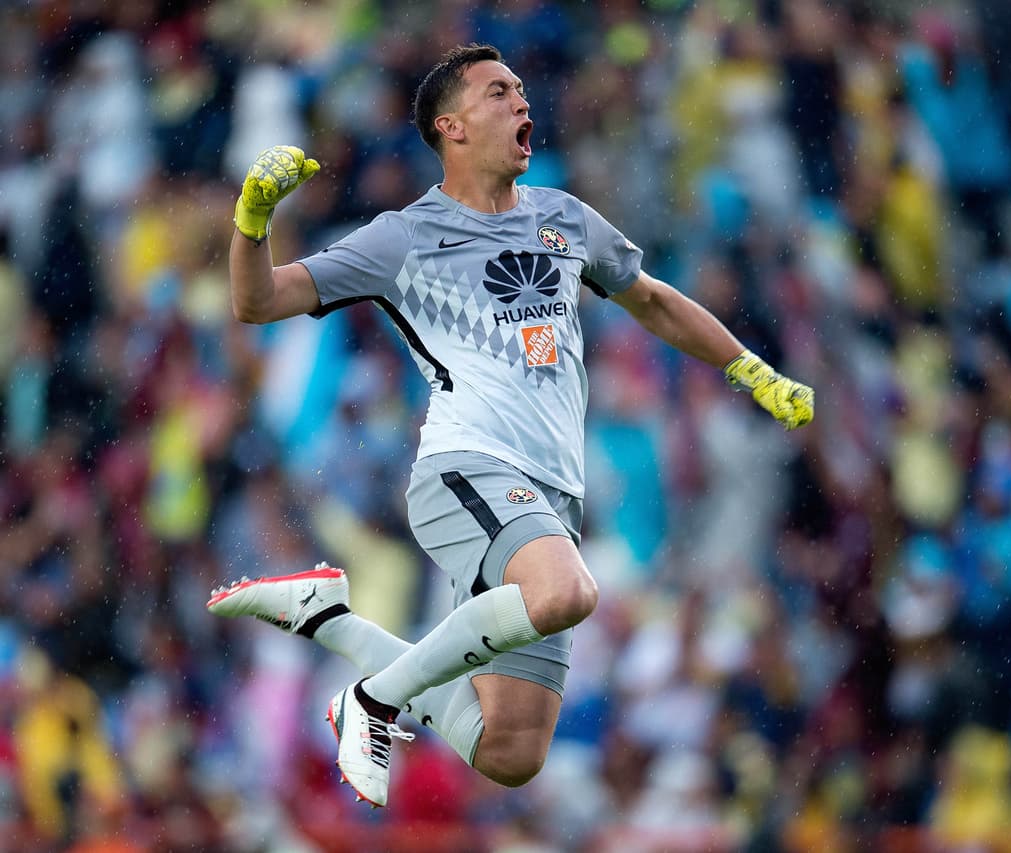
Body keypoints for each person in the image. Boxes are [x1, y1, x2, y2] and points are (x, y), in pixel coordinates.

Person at [208, 43, 814, 809]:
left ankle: (329, 618)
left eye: (522, 90)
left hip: (551, 497)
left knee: (510, 752)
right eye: (499, 93)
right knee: (567, 591)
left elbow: (655, 301)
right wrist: (253, 219)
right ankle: (374, 699)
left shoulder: (565, 219)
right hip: (467, 471)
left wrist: (749, 368)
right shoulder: (402, 237)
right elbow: (258, 302)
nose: (523, 102)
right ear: (452, 126)